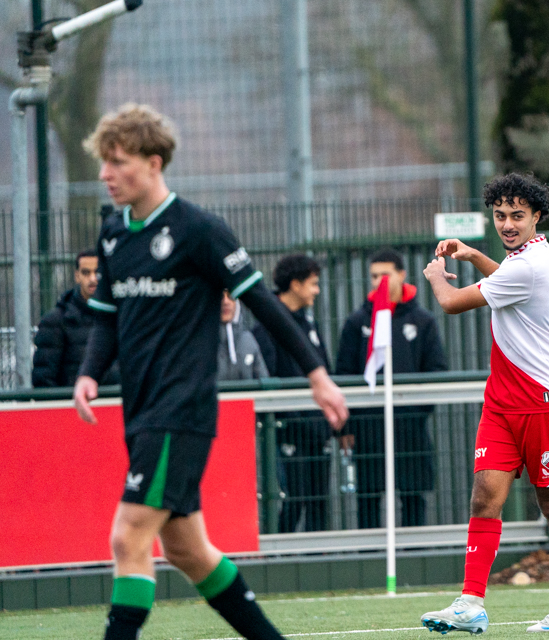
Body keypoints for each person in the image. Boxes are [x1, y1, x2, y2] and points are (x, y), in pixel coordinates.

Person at [73, 103, 348, 640]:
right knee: (187, 549)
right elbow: (106, 319)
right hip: (141, 408)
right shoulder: (112, 236)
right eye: (103, 163)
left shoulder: (198, 230)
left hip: (182, 409)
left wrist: (317, 373)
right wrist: (88, 372)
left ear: (154, 163)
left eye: (117, 162)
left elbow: (266, 304)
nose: (105, 174)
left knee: (128, 538)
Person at [420, 173, 549, 633]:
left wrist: (436, 276)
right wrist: (474, 254)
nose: (508, 224)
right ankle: (470, 602)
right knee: (483, 497)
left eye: (517, 216)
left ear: (537, 216)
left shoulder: (530, 265)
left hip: (547, 401)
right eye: (500, 216)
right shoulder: (525, 259)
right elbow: (507, 281)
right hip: (503, 401)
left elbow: (452, 303)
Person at [335, 248, 447, 528]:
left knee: (413, 497)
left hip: (411, 429)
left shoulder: (423, 322)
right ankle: (370, 560)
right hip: (368, 429)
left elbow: (436, 371)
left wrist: (416, 411)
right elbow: (343, 375)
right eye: (373, 276)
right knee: (368, 499)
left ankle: (416, 559)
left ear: (401, 275)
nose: (377, 282)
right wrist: (347, 427)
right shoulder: (357, 321)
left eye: (384, 275)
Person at [252, 254, 333, 532]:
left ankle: (320, 560)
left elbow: (325, 367)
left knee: (319, 503)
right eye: (313, 284)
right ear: (295, 285)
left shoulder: (309, 323)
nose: (317, 290)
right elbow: (269, 379)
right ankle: (280, 557)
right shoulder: (266, 328)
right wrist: (295, 419)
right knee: (293, 500)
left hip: (317, 431)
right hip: (288, 433)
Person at [32, 250, 119, 387]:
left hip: (114, 406)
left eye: (97, 272)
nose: (92, 279)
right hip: (72, 406)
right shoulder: (55, 322)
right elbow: (43, 381)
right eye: (86, 273)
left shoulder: (120, 318)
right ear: (77, 276)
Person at [217, 291, 269, 381]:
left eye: (231, 297)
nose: (226, 302)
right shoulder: (201, 341)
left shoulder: (248, 339)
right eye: (220, 297)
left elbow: (263, 378)